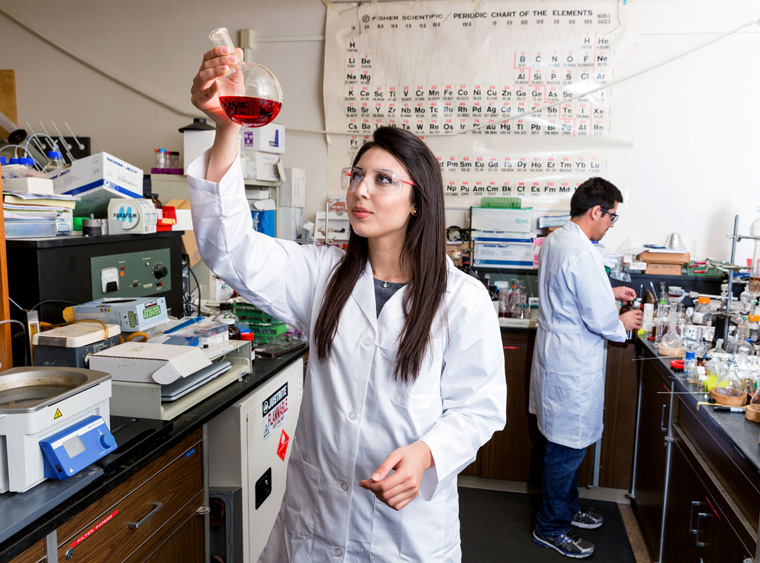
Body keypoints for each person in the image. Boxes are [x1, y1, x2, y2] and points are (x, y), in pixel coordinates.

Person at [188, 45, 507, 562]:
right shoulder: (323, 275)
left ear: (417, 200)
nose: (361, 190)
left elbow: (479, 409)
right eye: (357, 175)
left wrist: (428, 454)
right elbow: (231, 250)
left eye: (382, 180)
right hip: (314, 523)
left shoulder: (463, 301)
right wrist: (227, 126)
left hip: (405, 534)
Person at [528, 177, 642, 559]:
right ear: (596, 211)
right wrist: (621, 323)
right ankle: (551, 526)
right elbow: (597, 317)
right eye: (611, 216)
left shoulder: (559, 239)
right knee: (566, 449)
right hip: (572, 359)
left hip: (557, 354)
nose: (611, 223)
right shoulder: (583, 251)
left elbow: (570, 288)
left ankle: (566, 508)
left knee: (562, 445)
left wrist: (610, 291)